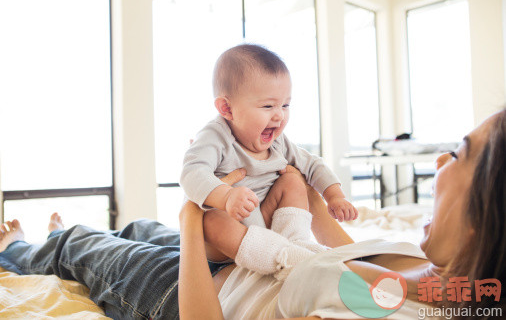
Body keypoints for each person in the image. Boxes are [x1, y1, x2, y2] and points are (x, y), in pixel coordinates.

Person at [0, 109, 504, 319]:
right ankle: (60, 240)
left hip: (202, 293)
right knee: (133, 229)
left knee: (82, 246)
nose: (439, 161)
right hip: (243, 242)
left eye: (458, 153)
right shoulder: (429, 270)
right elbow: (332, 249)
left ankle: (19, 248)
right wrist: (303, 191)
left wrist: (192, 219)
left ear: (487, 215)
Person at [181, 43, 357, 269]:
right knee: (210, 220)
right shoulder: (215, 136)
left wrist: (335, 196)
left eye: (285, 105)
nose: (279, 115)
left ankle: (294, 244)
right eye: (267, 106)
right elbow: (192, 173)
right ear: (227, 109)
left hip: (267, 221)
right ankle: (276, 259)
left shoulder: (278, 142)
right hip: (230, 232)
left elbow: (313, 164)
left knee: (293, 180)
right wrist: (225, 198)